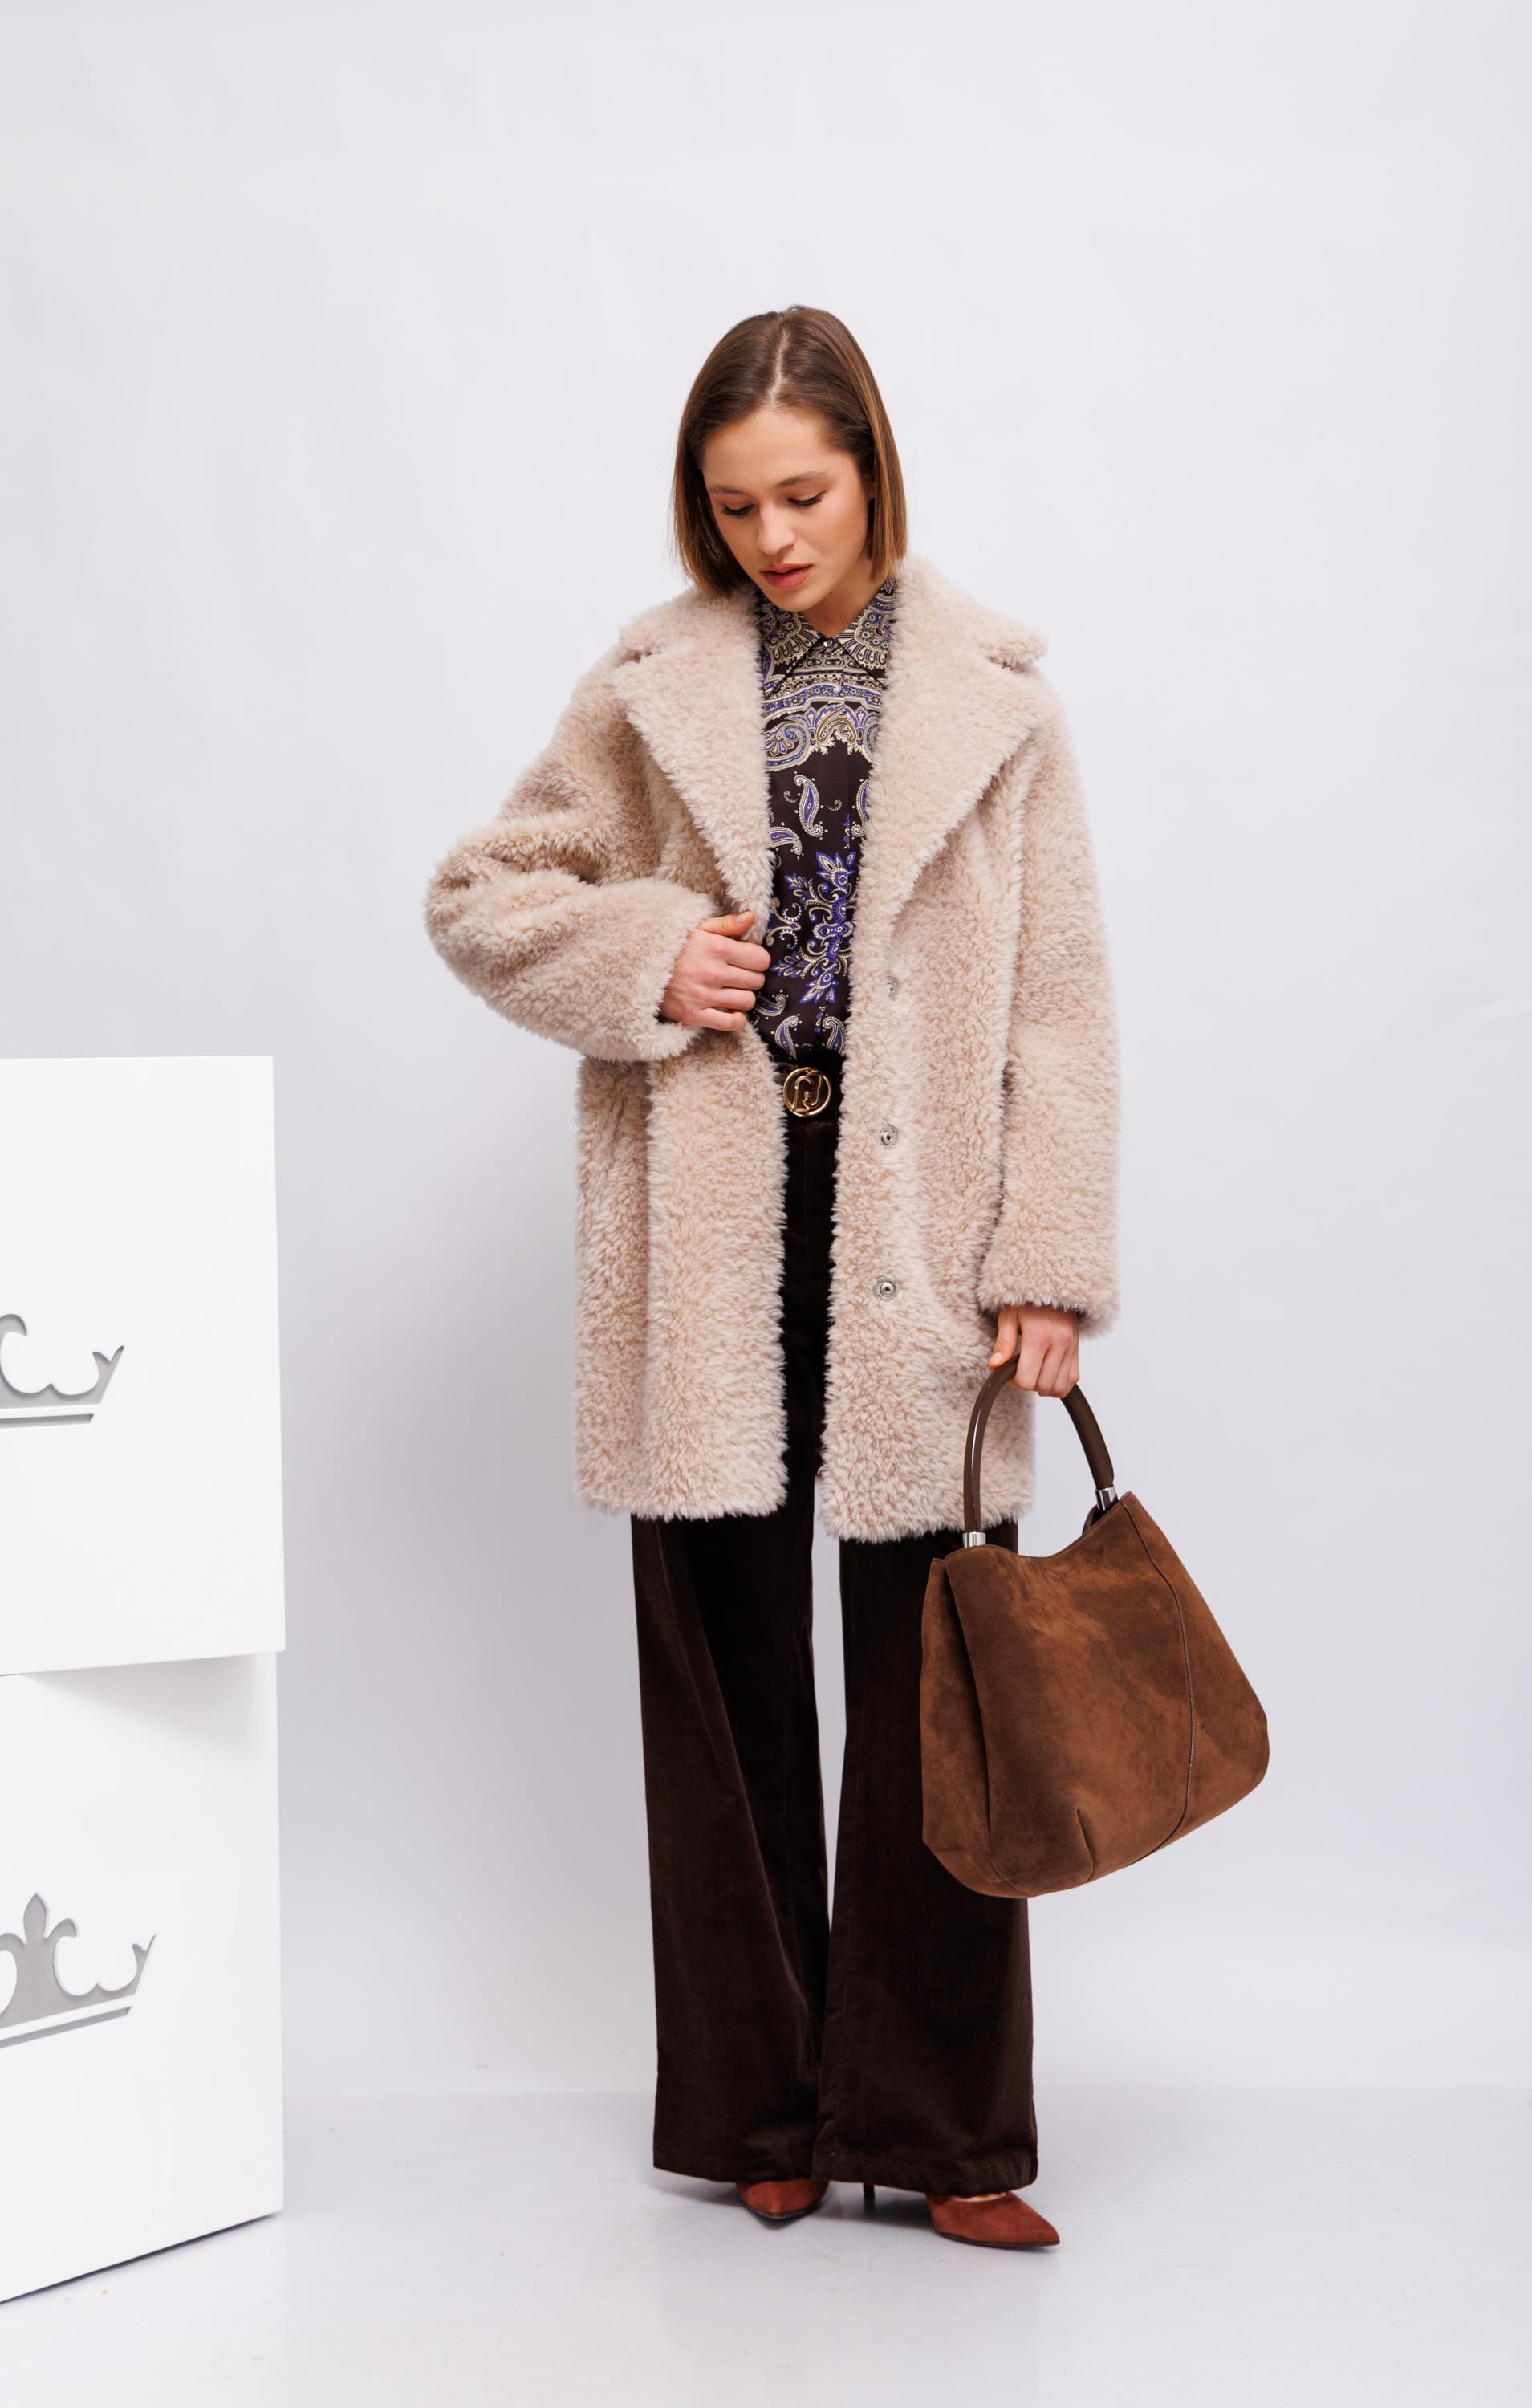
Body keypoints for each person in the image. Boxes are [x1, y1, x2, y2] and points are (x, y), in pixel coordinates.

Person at [425, 307, 1118, 2251]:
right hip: (712, 1223)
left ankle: (945, 2137)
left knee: (942, 1683)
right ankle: (756, 2109)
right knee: (720, 1676)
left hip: (927, 1235)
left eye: (802, 495)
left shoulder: (999, 697)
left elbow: (1059, 1004)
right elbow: (482, 890)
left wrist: (1049, 1262)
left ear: (872, 468)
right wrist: (649, 951)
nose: (772, 539)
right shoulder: (649, 679)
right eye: (735, 508)